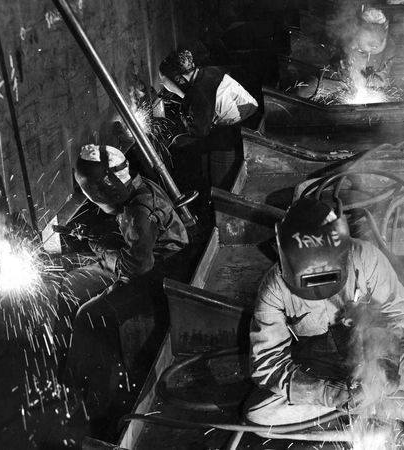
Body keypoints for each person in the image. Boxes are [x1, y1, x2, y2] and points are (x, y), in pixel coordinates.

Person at [244, 197, 404, 430]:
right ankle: (382, 406)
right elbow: (267, 362)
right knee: (260, 414)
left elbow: (399, 315)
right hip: (323, 365)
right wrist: (327, 394)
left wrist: (383, 368)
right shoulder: (274, 287)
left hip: (384, 350)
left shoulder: (366, 258)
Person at [59, 144, 189, 436]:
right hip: (154, 262)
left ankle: (94, 398)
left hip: (162, 279)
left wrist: (101, 248)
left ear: (104, 188)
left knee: (89, 316)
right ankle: (73, 373)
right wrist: (98, 240)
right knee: (74, 281)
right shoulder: (139, 190)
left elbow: (136, 268)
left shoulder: (136, 213)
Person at [158, 48, 259, 190]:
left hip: (237, 135)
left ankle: (211, 191)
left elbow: (199, 131)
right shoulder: (206, 72)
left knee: (181, 146)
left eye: (164, 82)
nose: (165, 87)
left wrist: (179, 125)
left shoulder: (201, 92)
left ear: (178, 79)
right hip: (250, 121)